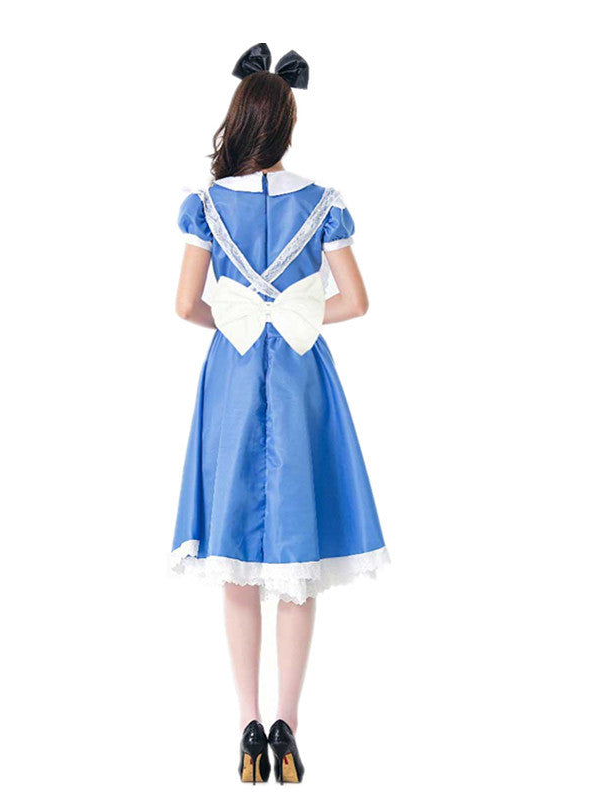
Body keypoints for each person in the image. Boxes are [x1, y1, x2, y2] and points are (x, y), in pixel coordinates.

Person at [170, 43, 389, 784]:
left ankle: (247, 728)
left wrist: (242, 321)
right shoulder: (322, 202)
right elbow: (356, 301)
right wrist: (293, 316)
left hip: (233, 378)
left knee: (234, 550)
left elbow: (185, 305)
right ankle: (288, 731)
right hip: (300, 377)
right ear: (289, 123)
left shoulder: (207, 205)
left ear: (240, 119)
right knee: (299, 551)